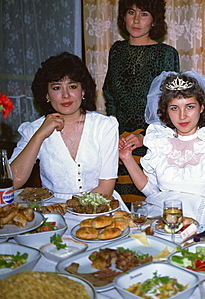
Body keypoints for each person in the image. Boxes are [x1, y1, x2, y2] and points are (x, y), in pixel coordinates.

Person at [10, 52, 128, 209]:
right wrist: (40, 135)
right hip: (53, 211)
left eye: (72, 86)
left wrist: (68, 207)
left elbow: (106, 188)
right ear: (46, 94)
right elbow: (12, 182)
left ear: (83, 91)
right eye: (57, 88)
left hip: (100, 207)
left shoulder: (104, 126)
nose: (66, 95)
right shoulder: (34, 129)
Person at [118, 71, 205, 227]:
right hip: (159, 217)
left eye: (190, 107)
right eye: (174, 108)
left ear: (201, 107)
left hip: (200, 220)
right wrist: (126, 158)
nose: (182, 116)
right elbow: (152, 192)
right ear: (166, 110)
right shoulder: (159, 139)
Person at [103, 0, 180, 197]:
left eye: (144, 14)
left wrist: (144, 137)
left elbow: (169, 104)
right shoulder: (116, 50)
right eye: (131, 13)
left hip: (151, 142)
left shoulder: (166, 53)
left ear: (154, 20)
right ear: (123, 17)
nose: (136, 20)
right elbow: (109, 94)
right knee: (116, 208)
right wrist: (114, 133)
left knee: (147, 207)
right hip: (118, 141)